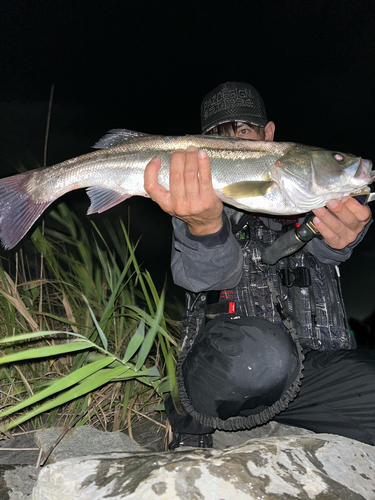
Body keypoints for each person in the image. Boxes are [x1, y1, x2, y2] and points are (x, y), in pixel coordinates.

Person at [144, 81, 375, 449]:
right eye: (219, 139)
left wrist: (349, 235)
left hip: (311, 373)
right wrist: (204, 228)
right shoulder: (194, 205)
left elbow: (330, 249)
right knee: (265, 356)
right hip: (227, 367)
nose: (234, 145)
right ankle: (189, 419)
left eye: (242, 132)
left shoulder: (304, 195)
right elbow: (206, 277)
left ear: (269, 135)